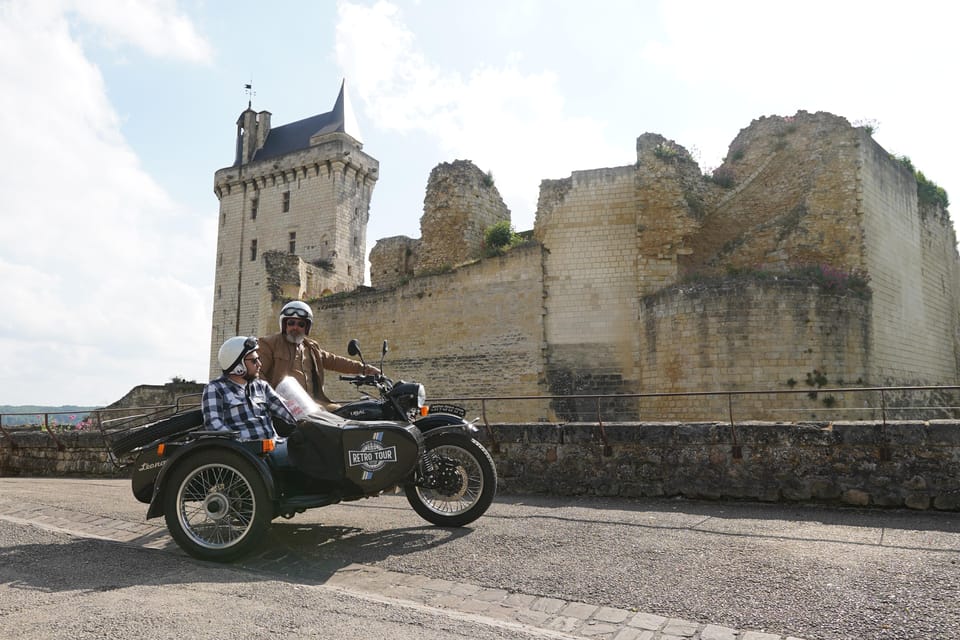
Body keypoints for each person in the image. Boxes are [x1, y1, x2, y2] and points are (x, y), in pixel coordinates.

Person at [258, 300, 379, 410]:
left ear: (307, 327)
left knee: (348, 414)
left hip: (313, 402)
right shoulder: (269, 344)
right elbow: (258, 373)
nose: (295, 327)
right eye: (291, 322)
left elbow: (334, 361)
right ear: (284, 324)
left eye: (301, 324)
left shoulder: (310, 347)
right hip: (287, 406)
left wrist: (364, 369)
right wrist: (273, 399)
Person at [202, 336, 298, 440]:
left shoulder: (261, 386)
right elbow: (214, 425)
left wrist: (308, 417)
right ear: (238, 366)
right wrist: (239, 444)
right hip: (246, 452)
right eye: (254, 361)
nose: (259, 364)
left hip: (273, 445)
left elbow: (286, 408)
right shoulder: (215, 388)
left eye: (258, 359)